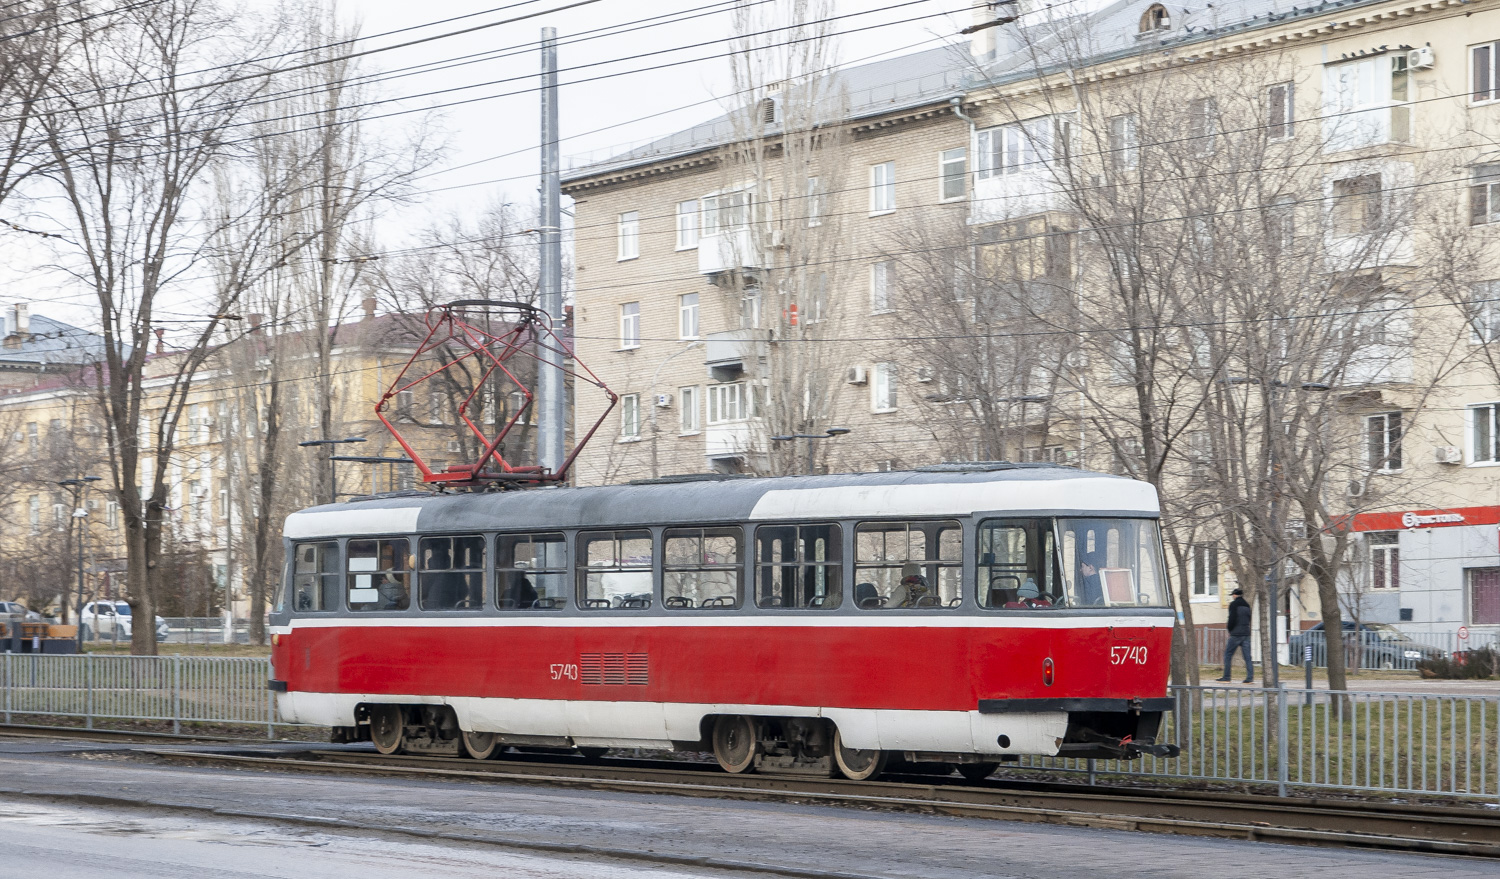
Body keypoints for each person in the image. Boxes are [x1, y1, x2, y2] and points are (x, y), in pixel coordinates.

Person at [1218, 587, 1254, 683]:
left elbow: (1232, 618)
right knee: (1247, 657)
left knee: (1228, 654)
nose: (1233, 597)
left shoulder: (1233, 605)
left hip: (1236, 634)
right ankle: (1250, 678)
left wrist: (1230, 629)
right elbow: (1249, 619)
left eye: (1233, 595)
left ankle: (1227, 677)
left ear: (1235, 595)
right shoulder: (1247, 605)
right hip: (1246, 633)